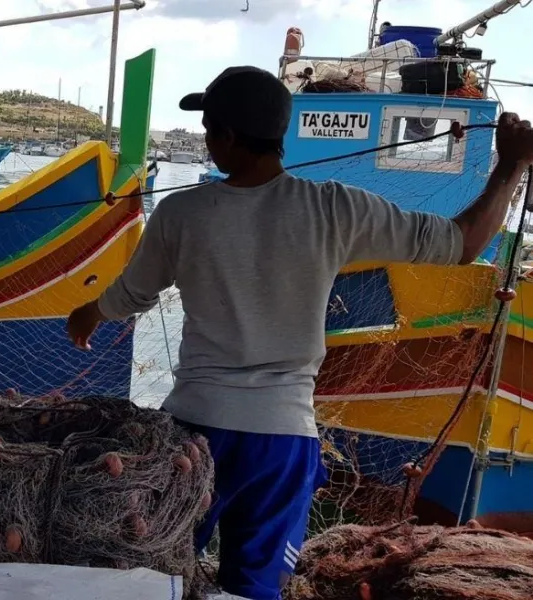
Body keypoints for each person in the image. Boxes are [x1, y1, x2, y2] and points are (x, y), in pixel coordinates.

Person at [66, 66, 533, 600]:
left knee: (162, 576)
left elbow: (130, 296)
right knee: (256, 590)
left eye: (210, 128)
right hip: (282, 441)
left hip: (194, 432)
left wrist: (87, 314)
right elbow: (462, 242)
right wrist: (512, 164)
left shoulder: (182, 212)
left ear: (228, 137)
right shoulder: (335, 207)